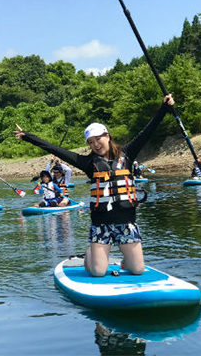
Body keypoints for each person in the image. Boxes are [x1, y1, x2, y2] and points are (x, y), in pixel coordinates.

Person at [14, 94, 175, 277]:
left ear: (107, 136)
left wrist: (164, 108)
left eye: (98, 139)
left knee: (138, 270)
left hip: (127, 222)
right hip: (101, 225)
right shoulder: (87, 163)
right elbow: (55, 149)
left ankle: (126, 257)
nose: (95, 145)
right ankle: (91, 252)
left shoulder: (127, 154)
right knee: (98, 272)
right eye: (91, 142)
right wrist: (28, 137)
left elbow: (147, 131)